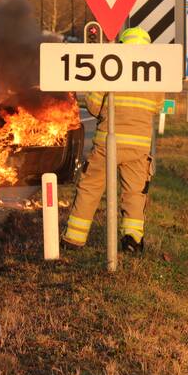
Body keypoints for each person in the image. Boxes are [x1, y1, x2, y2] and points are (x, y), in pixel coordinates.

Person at [63, 26, 163, 254]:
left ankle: (73, 239)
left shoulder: (110, 70)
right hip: (139, 146)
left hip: (108, 143)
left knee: (90, 188)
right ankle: (132, 240)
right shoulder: (153, 75)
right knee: (135, 193)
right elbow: (156, 107)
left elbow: (93, 105)